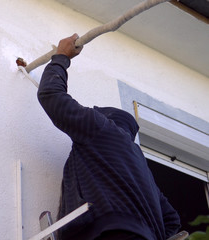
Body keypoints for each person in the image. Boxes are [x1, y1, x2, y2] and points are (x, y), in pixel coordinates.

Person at [37, 34, 181, 240]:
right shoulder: (142, 170)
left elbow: (51, 96)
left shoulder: (102, 128)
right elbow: (172, 219)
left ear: (106, 118)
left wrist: (61, 57)